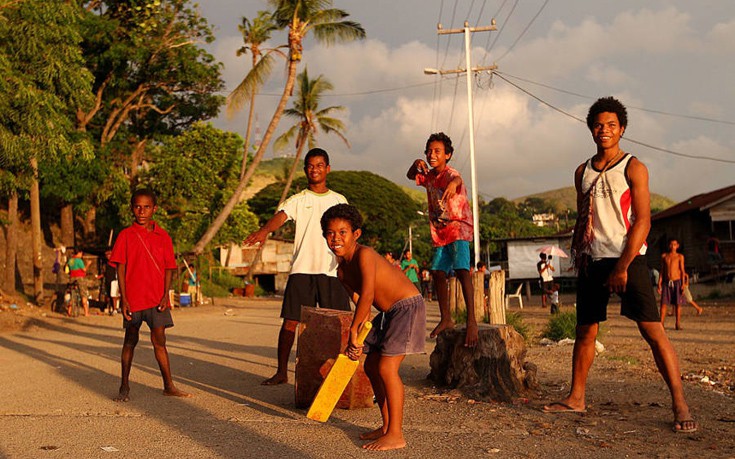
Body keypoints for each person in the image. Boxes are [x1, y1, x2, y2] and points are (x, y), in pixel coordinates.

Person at [545, 97, 696, 434]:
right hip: (592, 260)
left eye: (612, 125)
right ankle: (576, 398)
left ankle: (680, 404)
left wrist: (622, 266)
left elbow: (643, 221)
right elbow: (585, 218)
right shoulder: (582, 172)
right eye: (599, 125)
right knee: (585, 331)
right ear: (591, 129)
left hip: (629, 259)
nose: (605, 130)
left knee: (653, 331)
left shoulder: (633, 167)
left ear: (622, 129)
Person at [320, 204, 425, 451]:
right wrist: (354, 341)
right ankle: (386, 426)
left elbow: (368, 294)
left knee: (387, 367)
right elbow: (361, 306)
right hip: (389, 313)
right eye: (330, 233)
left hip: (406, 306)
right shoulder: (342, 273)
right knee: (370, 364)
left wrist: (354, 333)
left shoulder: (365, 255)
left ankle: (396, 435)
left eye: (342, 232)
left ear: (356, 234)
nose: (336, 238)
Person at [243, 148, 351, 386]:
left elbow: (349, 233)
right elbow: (280, 217)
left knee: (339, 324)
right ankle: (282, 371)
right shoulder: (298, 200)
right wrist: (264, 231)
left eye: (320, 165)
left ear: (328, 169)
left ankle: (343, 376)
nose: (315, 169)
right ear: (305, 170)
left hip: (332, 270)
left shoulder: (338, 200)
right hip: (302, 270)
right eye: (311, 166)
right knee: (290, 322)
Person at [109, 188, 191, 401]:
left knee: (160, 342)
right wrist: (124, 299)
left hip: (156, 299)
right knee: (130, 340)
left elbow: (169, 268)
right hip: (134, 299)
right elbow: (121, 268)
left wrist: (166, 295)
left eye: (146, 207)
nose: (141, 211)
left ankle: (169, 385)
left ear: (154, 209)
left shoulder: (163, 236)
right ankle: (124, 387)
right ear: (131, 208)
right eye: (137, 206)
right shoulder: (125, 235)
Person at [407, 132, 477, 347]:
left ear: (448, 155)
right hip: (441, 231)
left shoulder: (449, 173)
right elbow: (411, 176)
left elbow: (457, 179)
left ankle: (472, 321)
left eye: (437, 151)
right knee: (437, 272)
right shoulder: (428, 176)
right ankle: (446, 317)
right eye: (428, 151)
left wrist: (454, 184)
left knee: (462, 271)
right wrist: (415, 163)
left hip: (458, 228)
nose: (431, 154)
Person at [658, 239, 687, 330]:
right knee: (663, 304)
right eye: (671, 244)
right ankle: (661, 324)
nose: (673, 246)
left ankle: (677, 324)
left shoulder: (680, 257)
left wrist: (683, 284)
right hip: (667, 282)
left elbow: (682, 271)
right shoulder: (664, 256)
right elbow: (662, 270)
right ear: (669, 245)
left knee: (678, 304)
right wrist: (659, 283)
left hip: (677, 281)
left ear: (677, 246)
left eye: (674, 244)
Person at [67, 248, 91, 316]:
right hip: (80, 278)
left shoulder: (70, 260)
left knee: (71, 293)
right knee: (83, 293)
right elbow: (84, 269)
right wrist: (88, 264)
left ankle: (69, 311)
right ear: (79, 253)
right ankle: (86, 312)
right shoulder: (79, 260)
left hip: (72, 278)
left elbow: (69, 269)